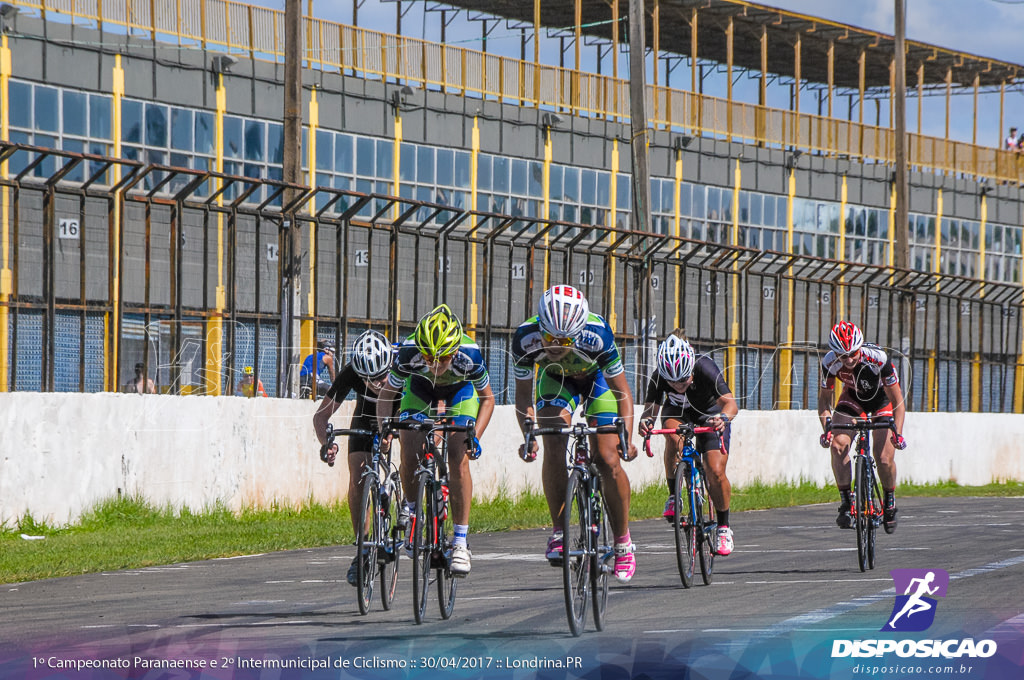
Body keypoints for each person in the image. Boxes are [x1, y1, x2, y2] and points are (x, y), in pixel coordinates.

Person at [512, 284, 639, 583]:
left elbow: (622, 392)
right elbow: (522, 399)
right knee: (553, 444)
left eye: (565, 339)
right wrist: (528, 437)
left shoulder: (598, 334)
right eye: (550, 337)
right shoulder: (525, 338)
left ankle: (623, 543)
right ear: (539, 327)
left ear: (579, 332)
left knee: (607, 458)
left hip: (597, 382)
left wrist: (627, 438)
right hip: (555, 380)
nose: (556, 345)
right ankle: (559, 533)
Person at [376, 304, 494, 576]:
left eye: (443, 358)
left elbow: (487, 399)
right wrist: (385, 428)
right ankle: (415, 512)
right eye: (429, 358)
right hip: (419, 389)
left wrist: (475, 435)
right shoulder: (408, 351)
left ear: (455, 351)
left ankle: (461, 542)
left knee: (458, 454)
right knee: (409, 443)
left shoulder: (470, 354)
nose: (436, 364)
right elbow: (386, 396)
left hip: (460, 392)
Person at [639, 332, 739, 556]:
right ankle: (674, 495)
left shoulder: (705, 367)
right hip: (678, 413)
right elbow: (649, 413)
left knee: (715, 469)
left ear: (691, 369)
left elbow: (731, 404)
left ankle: (724, 527)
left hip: (709, 413)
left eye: (683, 380)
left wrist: (723, 419)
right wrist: (645, 424)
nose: (678, 386)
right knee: (673, 437)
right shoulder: (659, 377)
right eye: (672, 382)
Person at [314, 330, 397, 586]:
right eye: (370, 379)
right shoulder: (352, 371)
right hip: (367, 416)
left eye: (382, 375)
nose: (378, 382)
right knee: (358, 474)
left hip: (399, 410)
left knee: (411, 450)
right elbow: (321, 417)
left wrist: (392, 436)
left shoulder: (401, 365)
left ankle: (408, 505)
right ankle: (362, 549)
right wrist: (327, 444)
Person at [817, 320, 907, 533]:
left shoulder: (878, 358)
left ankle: (889, 501)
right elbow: (824, 402)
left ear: (860, 348)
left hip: (880, 402)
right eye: (842, 355)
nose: (848, 360)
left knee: (884, 457)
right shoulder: (829, 362)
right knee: (838, 446)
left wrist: (899, 433)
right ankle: (847, 502)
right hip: (852, 400)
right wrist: (826, 430)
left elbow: (898, 402)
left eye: (852, 354)